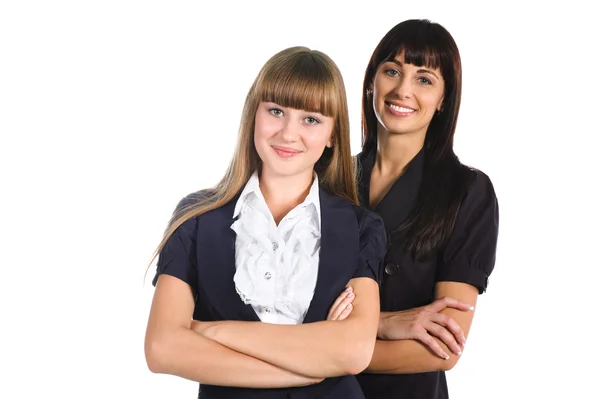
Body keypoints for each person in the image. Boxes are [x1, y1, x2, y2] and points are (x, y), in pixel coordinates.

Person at [144, 46, 387, 399]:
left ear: (333, 135)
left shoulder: (362, 227)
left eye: (311, 119)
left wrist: (213, 332)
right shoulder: (196, 218)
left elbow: (354, 351)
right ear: (253, 115)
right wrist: (313, 363)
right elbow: (162, 348)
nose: (288, 134)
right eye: (276, 111)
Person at [352, 19, 499, 399]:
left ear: (443, 99)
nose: (402, 90)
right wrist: (383, 323)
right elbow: (285, 312)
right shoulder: (327, 179)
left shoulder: (467, 192)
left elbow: (441, 348)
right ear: (372, 80)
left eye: (424, 79)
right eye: (392, 71)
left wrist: (319, 353)